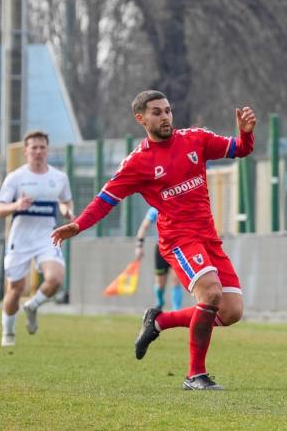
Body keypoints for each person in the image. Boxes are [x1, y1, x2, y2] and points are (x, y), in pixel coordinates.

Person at [52, 90, 256, 391]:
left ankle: (158, 321)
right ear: (141, 118)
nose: (165, 117)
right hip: (178, 239)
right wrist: (78, 225)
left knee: (231, 311)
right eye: (157, 112)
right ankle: (195, 375)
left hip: (208, 237)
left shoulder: (195, 139)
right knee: (211, 295)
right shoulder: (138, 162)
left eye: (168, 111)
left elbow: (239, 149)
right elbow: (106, 199)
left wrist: (245, 133)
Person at [0, 130, 74, 347]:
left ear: (47, 150)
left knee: (56, 278)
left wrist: (67, 211)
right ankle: (8, 332)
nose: (38, 151)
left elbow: (66, 201)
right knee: (15, 290)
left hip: (46, 237)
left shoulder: (59, 177)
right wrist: (15, 206)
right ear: (26, 151)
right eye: (34, 147)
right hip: (20, 240)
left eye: (42, 147)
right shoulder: (16, 178)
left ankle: (32, 306)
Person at [135, 208, 185, 311]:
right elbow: (144, 226)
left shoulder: (177, 205)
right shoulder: (154, 209)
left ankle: (176, 310)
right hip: (161, 249)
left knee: (176, 280)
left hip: (177, 248)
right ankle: (159, 303)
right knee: (160, 283)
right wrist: (139, 246)